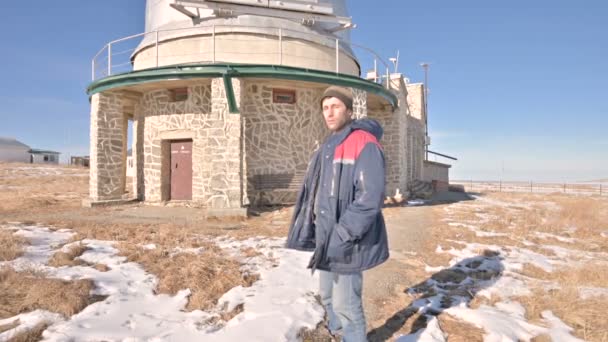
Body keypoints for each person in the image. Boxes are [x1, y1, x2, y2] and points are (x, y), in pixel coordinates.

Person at [286, 86, 389, 341]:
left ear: (350, 111)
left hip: (346, 242)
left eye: (336, 107)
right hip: (326, 239)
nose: (329, 113)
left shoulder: (364, 142)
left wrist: (342, 234)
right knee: (329, 297)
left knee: (347, 306)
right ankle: (337, 334)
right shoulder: (328, 146)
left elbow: (369, 198)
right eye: (325, 108)